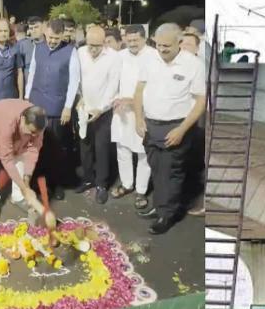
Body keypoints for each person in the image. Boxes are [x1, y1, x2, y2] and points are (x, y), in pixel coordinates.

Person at [134, 23, 206, 234]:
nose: (162, 49)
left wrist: (182, 130)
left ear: (179, 42)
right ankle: (159, 205)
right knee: (157, 169)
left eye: (167, 46)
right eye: (158, 45)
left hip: (175, 126)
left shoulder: (193, 64)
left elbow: (201, 101)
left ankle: (167, 215)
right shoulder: (149, 59)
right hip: (150, 125)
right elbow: (139, 90)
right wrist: (139, 118)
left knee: (172, 172)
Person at [25, 19, 81, 201]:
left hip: (57, 107)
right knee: (36, 146)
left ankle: (55, 184)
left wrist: (67, 107)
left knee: (55, 148)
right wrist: (27, 98)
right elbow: (32, 72)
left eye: (56, 38)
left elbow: (74, 81)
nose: (52, 41)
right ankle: (37, 181)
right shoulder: (38, 48)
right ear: (45, 33)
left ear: (62, 35)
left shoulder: (71, 51)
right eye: (49, 37)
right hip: (37, 103)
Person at [110, 24, 155, 211]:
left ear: (144, 38)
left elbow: (156, 86)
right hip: (121, 113)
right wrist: (115, 100)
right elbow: (113, 82)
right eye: (129, 41)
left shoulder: (154, 56)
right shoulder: (120, 56)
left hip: (145, 112)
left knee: (143, 153)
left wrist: (134, 100)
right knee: (123, 149)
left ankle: (141, 190)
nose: (133, 44)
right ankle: (127, 184)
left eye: (136, 40)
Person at [0, 100, 46, 219]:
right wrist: (25, 187)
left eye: (36, 133)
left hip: (13, 126)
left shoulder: (38, 125)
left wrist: (26, 180)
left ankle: (18, 197)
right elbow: (7, 159)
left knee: (20, 155)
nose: (34, 136)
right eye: (32, 132)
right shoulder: (7, 124)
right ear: (23, 119)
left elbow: (33, 151)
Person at [76, 26, 120, 203]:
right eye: (89, 45)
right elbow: (76, 78)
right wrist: (79, 97)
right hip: (83, 108)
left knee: (102, 149)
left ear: (104, 43)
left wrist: (101, 108)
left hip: (103, 111)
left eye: (96, 46)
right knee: (85, 146)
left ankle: (102, 185)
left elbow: (113, 86)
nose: (92, 49)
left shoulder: (113, 58)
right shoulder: (80, 52)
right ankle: (88, 179)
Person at [18, 16, 43, 85]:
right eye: (31, 28)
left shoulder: (49, 44)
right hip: (28, 88)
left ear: (43, 27)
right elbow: (19, 70)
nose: (34, 31)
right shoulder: (23, 45)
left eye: (36, 27)